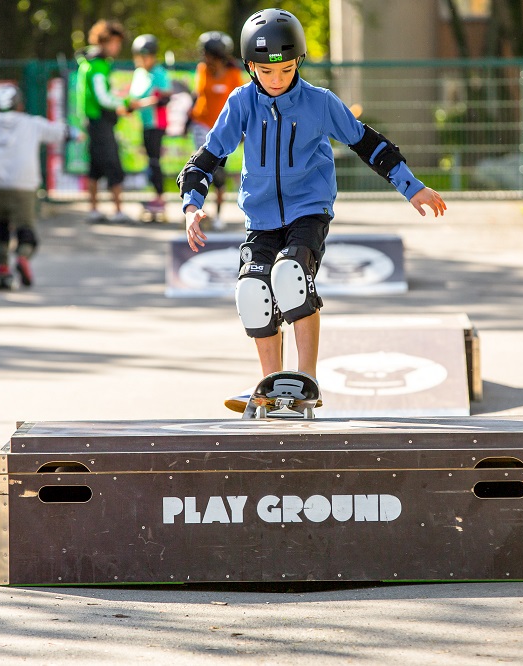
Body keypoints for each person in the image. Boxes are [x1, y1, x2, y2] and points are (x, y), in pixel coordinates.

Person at [177, 8, 446, 410]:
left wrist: (412, 187)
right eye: (266, 72)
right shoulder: (242, 102)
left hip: (308, 210)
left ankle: (307, 380)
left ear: (298, 62)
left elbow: (368, 143)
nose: (276, 80)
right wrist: (191, 207)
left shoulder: (319, 102)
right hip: (260, 217)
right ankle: (270, 386)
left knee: (291, 275)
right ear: (250, 67)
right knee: (252, 290)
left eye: (286, 70)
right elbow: (206, 158)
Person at [0, 84, 76, 290]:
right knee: (25, 227)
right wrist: (73, 132)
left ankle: (2, 268)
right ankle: (22, 256)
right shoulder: (31, 123)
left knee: (0, 225)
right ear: (19, 104)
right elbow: (59, 132)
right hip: (23, 183)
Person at [76, 19, 132, 225]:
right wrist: (124, 102)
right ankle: (118, 210)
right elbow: (103, 98)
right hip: (100, 123)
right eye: (114, 42)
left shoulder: (89, 63)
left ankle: (93, 210)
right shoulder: (98, 66)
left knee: (95, 167)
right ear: (104, 41)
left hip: (93, 122)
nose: (117, 47)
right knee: (113, 165)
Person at [189, 31, 245, 230]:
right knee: (201, 167)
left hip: (222, 129)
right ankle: (198, 213)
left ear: (217, 55)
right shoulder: (202, 69)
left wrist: (241, 129)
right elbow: (198, 95)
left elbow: (240, 103)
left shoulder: (233, 74)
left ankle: (219, 214)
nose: (204, 58)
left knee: (219, 172)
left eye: (207, 54)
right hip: (201, 125)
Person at [128, 34, 173, 221]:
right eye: (140, 56)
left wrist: (141, 104)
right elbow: (133, 98)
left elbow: (164, 98)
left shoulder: (159, 73)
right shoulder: (139, 73)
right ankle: (155, 195)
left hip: (157, 123)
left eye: (146, 56)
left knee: (155, 161)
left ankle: (160, 197)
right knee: (149, 160)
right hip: (145, 123)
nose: (143, 60)